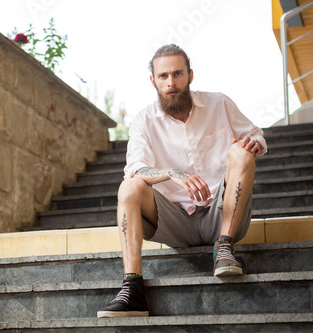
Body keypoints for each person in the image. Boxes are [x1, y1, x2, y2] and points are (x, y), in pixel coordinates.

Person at [97, 44, 267, 318]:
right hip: (175, 222)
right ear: (153, 81)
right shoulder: (144, 121)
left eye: (177, 74)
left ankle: (224, 247)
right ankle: (133, 288)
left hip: (222, 214)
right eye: (163, 76)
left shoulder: (219, 103)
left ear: (190, 75)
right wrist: (173, 173)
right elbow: (135, 169)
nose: (171, 82)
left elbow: (256, 134)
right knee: (129, 186)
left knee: (241, 152)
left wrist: (253, 143)